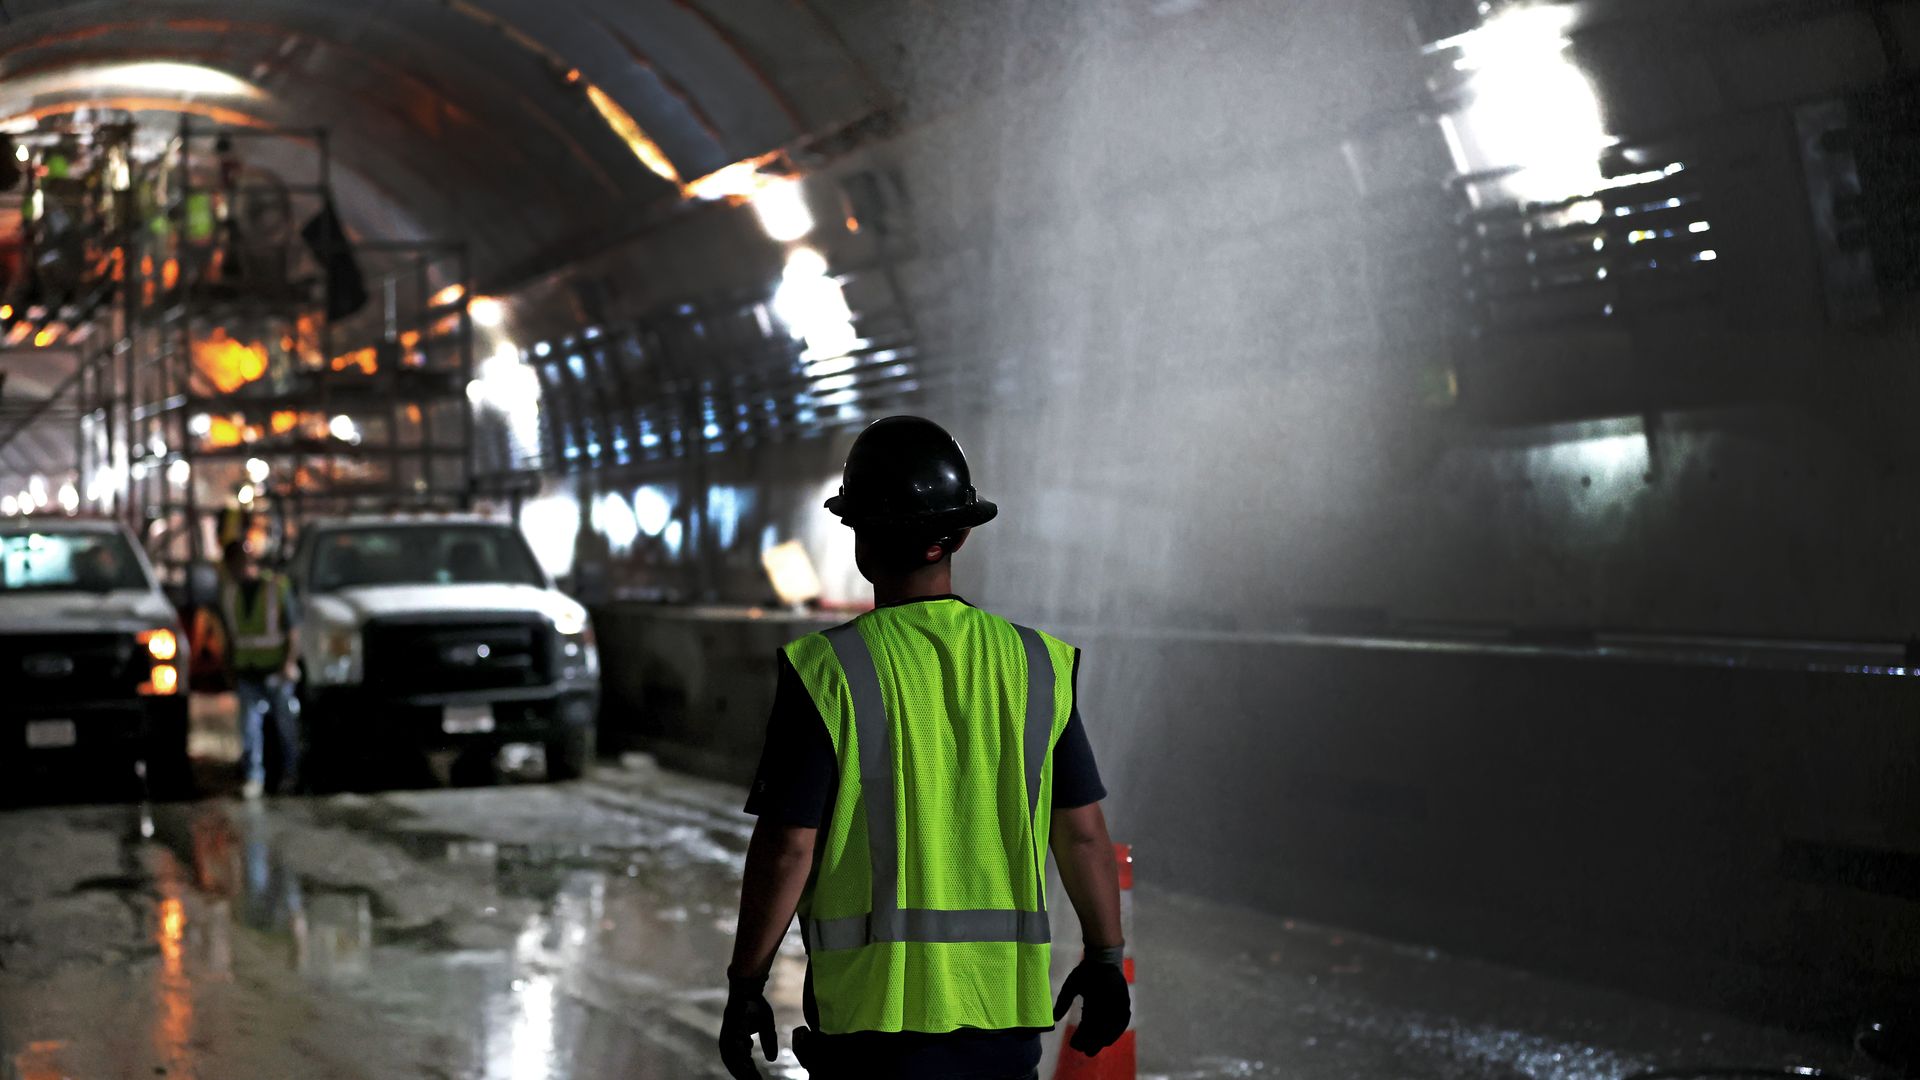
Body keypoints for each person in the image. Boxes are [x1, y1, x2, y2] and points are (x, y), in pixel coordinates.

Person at [719, 416, 1132, 1080]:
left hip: (871, 1027)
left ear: (859, 538)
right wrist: (1105, 959)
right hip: (1003, 1023)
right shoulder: (1036, 665)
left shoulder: (828, 671)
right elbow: (1082, 833)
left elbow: (789, 845)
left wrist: (746, 982)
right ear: (961, 533)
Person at [220, 538, 301, 798]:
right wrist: (229, 669)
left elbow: (293, 630)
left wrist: (288, 664)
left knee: (285, 725)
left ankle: (291, 773)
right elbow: (231, 637)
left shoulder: (276, 588)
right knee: (249, 728)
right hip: (248, 671)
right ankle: (255, 777)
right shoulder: (230, 593)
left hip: (276, 671)